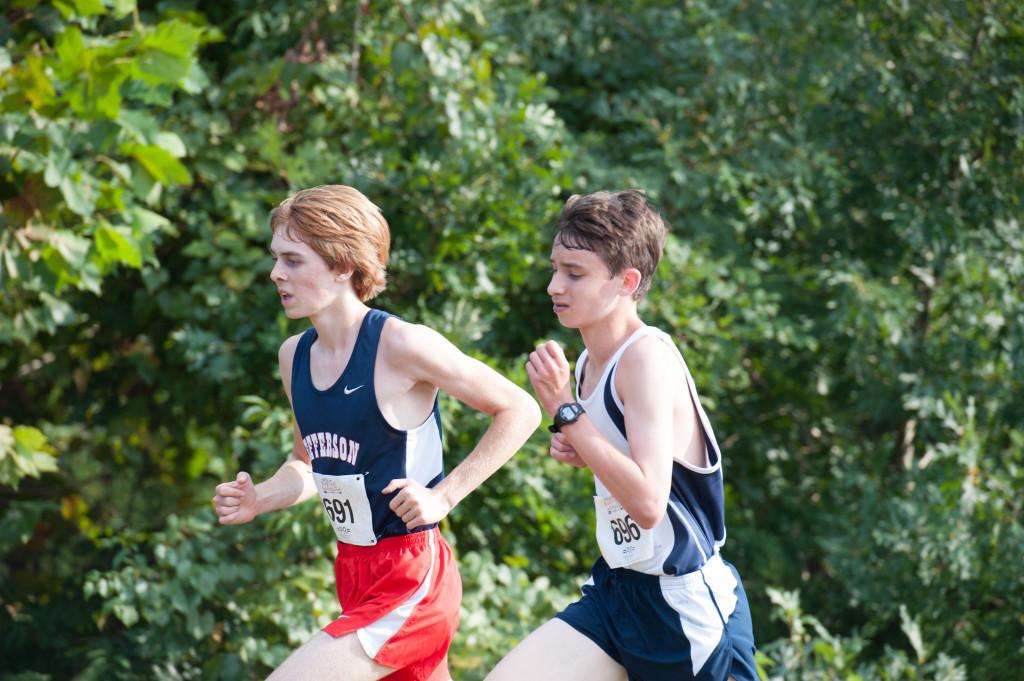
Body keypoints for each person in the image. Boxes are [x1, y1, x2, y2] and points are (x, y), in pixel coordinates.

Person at [212, 185, 541, 681]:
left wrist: (444, 497)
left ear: (344, 266)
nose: (276, 273)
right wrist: (260, 498)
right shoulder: (293, 356)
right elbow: (310, 465)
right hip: (354, 571)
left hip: (412, 577)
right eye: (276, 258)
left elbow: (520, 409)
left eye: (294, 260)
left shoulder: (401, 345)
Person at [486, 190, 757, 681]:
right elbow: (631, 466)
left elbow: (650, 502)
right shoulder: (590, 361)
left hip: (682, 609)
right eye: (554, 268)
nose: (553, 285)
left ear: (626, 282)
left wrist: (566, 412)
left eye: (574, 273)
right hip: (618, 593)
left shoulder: (645, 358)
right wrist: (585, 445)